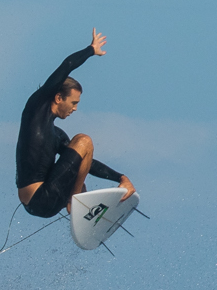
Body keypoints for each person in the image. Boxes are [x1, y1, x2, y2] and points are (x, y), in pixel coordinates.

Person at [16, 29, 134, 218]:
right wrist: (91, 49)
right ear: (58, 97)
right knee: (83, 140)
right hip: (40, 198)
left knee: (80, 158)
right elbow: (67, 65)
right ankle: (75, 200)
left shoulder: (56, 135)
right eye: (73, 103)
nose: (75, 109)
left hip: (43, 203)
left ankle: (77, 199)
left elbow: (87, 161)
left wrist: (120, 177)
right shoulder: (35, 110)